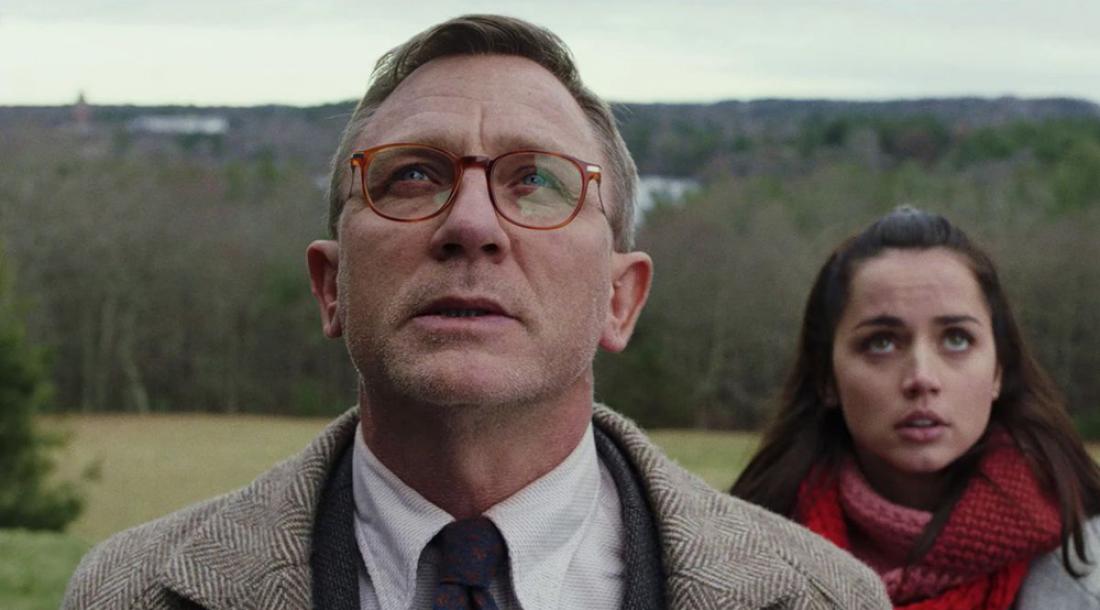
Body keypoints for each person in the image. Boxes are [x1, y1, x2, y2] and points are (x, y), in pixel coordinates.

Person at [63, 14, 889, 610]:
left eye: (537, 181)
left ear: (620, 297)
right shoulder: (127, 593)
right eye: (412, 176)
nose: (470, 224)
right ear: (331, 286)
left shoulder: (825, 598)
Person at [731, 206, 1100, 609]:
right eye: (881, 343)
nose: (922, 377)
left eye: (956, 339)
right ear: (827, 378)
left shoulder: (1085, 570)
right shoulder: (737, 558)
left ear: (998, 370)